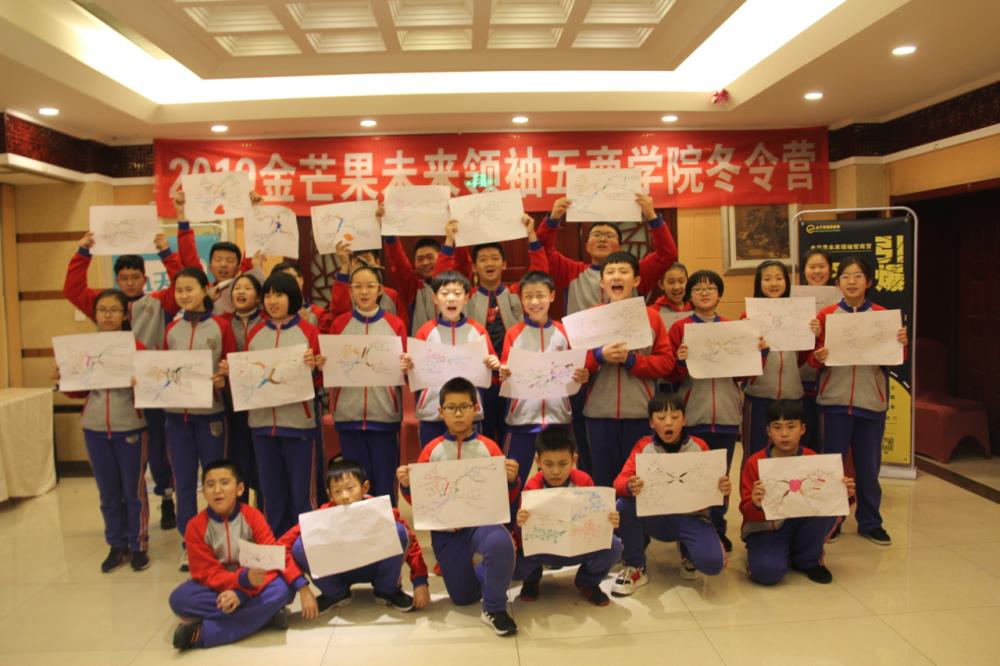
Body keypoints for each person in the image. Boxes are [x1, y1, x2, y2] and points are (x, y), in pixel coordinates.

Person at [63, 232, 181, 530]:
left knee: (159, 451)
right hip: (117, 396)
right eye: (124, 278)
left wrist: (166, 253)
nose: (129, 283)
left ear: (145, 279)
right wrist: (83, 252)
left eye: (135, 277)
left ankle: (167, 497)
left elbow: (181, 283)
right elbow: (72, 289)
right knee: (126, 464)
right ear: (117, 280)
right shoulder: (105, 305)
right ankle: (127, 518)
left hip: (151, 390)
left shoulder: (159, 303)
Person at [396, 377, 520, 637]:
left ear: (476, 409)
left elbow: (504, 499)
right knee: (463, 597)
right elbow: (421, 502)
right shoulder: (431, 451)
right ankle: (483, 572)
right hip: (446, 531)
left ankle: (495, 609)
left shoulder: (489, 448)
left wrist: (511, 481)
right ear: (441, 412)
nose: (459, 413)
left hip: (481, 525)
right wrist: (407, 486)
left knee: (500, 543)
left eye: (464, 406)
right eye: (451, 408)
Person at [808, 256, 908, 546]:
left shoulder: (883, 316)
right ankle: (832, 521)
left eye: (857, 276)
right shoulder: (826, 316)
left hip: (871, 401)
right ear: (838, 282)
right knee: (832, 467)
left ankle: (870, 522)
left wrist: (901, 343)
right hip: (833, 402)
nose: (851, 282)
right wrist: (818, 356)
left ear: (869, 281)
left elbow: (897, 360)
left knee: (868, 467)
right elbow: (812, 361)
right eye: (845, 276)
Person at [219, 272, 325, 537]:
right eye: (267, 295)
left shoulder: (308, 332)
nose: (272, 300)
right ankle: (275, 546)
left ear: (292, 297)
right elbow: (248, 378)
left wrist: (316, 367)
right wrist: (232, 372)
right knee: (271, 494)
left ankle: (305, 546)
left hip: (299, 426)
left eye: (279, 294)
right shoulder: (256, 333)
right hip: (262, 426)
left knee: (303, 495)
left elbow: (322, 379)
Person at [667, 269, 766, 552]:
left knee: (720, 477)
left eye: (711, 288)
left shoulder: (733, 328)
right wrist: (680, 361)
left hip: (725, 414)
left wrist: (760, 353)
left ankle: (718, 529)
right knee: (692, 477)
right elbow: (670, 376)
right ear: (690, 295)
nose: (705, 292)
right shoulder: (680, 328)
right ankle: (690, 531)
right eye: (698, 288)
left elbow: (745, 375)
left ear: (720, 294)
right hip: (692, 415)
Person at [57, 289, 150, 572]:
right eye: (102, 310)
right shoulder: (83, 349)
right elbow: (77, 393)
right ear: (95, 314)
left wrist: (142, 383)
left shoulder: (138, 348)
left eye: (114, 310)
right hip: (94, 427)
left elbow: (153, 392)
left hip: (130, 426)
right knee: (108, 492)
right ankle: (116, 544)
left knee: (133, 491)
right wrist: (64, 378)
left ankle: (138, 545)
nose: (108, 315)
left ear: (125, 315)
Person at [168, 459, 306, 650]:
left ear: (240, 489)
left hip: (253, 584)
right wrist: (238, 584)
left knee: (283, 589)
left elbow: (271, 558)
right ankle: (264, 617)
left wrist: (242, 593)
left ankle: (203, 634)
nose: (217, 490)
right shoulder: (195, 527)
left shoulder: (253, 516)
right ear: (204, 492)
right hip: (218, 587)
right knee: (180, 599)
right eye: (210, 485)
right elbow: (205, 573)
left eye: (224, 483)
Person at [434, 215, 549, 443]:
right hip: (477, 383)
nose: (489, 263)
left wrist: (531, 235)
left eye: (495, 258)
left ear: (504, 264)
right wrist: (449, 241)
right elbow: (441, 280)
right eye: (483, 259)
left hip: (514, 380)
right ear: (474, 266)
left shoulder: (517, 293)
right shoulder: (465, 297)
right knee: (480, 441)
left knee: (509, 441)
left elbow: (540, 274)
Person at [611, 393, 729, 595]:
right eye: (661, 417)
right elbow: (619, 481)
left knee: (712, 565)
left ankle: (688, 552)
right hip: (656, 517)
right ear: (651, 422)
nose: (668, 423)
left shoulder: (699, 446)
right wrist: (630, 486)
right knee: (624, 505)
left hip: (692, 517)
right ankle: (635, 565)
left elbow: (715, 492)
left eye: (675, 417)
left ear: (684, 420)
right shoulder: (643, 447)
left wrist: (723, 490)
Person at [280, 459, 430, 616]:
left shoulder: (381, 510)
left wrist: (420, 581)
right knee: (300, 546)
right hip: (340, 571)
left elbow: (411, 540)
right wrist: (302, 586)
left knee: (399, 532)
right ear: (330, 494)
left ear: (365, 487)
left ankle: (387, 590)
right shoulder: (322, 515)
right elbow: (284, 545)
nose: (345, 496)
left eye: (350, 488)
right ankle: (335, 593)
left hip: (375, 567)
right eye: (337, 491)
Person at [163, 267, 237, 571]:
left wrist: (224, 379)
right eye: (179, 290)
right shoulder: (171, 329)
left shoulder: (221, 326)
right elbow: (163, 369)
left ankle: (220, 541)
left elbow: (232, 365)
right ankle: (189, 544)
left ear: (205, 289)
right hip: (176, 419)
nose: (183, 295)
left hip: (211, 415)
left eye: (189, 289)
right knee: (183, 482)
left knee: (217, 482)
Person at [583, 251, 675, 487]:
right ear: (602, 282)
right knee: (603, 482)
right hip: (599, 413)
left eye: (624, 272)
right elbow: (575, 366)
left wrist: (632, 361)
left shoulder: (652, 317)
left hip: (641, 413)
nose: (617, 277)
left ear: (636, 280)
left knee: (639, 481)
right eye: (610, 272)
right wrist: (599, 356)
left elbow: (666, 362)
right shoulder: (590, 318)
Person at [741, 399, 855, 585]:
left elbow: (832, 503)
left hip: (803, 525)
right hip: (767, 530)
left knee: (827, 506)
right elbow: (746, 511)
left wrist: (844, 494)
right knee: (766, 573)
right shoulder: (755, 463)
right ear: (768, 431)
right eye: (777, 427)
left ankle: (807, 559)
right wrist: (755, 503)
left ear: (803, 429)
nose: (784, 434)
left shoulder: (814, 460)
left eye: (791, 426)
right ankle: (776, 554)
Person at [498, 270, 588, 488]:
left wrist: (582, 376)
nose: (534, 302)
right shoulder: (513, 333)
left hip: (558, 420)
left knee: (560, 482)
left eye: (540, 295)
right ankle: (513, 514)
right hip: (521, 420)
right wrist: (503, 372)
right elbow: (504, 369)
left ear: (552, 296)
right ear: (521, 299)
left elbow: (576, 370)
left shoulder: (564, 332)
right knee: (510, 480)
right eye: (528, 296)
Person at [327, 264, 409, 503]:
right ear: (350, 291)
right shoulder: (339, 324)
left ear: (380, 290)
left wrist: (406, 365)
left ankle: (389, 524)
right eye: (358, 287)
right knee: (354, 485)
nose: (364, 292)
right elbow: (333, 367)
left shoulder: (395, 324)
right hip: (348, 416)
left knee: (384, 482)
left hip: (384, 415)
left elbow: (404, 371)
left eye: (370, 286)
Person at [513, 427, 622, 606]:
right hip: (545, 550)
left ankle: (588, 582)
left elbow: (596, 518)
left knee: (615, 546)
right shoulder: (532, 487)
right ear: (538, 461)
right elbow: (522, 535)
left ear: (574, 460)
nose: (556, 471)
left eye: (563, 464)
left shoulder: (584, 481)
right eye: (549, 464)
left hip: (579, 547)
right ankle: (531, 579)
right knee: (515, 565)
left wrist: (609, 522)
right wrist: (520, 523)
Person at [400, 270, 501, 445]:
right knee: (433, 460)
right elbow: (413, 376)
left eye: (457, 293)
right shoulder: (425, 331)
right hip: (432, 414)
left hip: (470, 416)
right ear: (435, 298)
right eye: (445, 293)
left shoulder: (478, 331)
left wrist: (494, 363)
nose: (451, 298)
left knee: (470, 460)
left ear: (466, 298)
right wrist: (407, 367)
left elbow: (491, 369)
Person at [741, 260, 817, 459]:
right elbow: (743, 362)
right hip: (759, 396)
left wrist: (814, 334)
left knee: (791, 455)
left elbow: (804, 358)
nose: (774, 283)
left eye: (779, 278)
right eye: (767, 279)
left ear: (787, 282)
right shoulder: (748, 316)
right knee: (755, 454)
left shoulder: (800, 315)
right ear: (759, 283)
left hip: (792, 395)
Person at [174, 190, 264, 315]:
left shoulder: (243, 290)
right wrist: (181, 215)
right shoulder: (203, 290)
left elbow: (252, 251)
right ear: (210, 267)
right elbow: (188, 257)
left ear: (238, 268)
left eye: (230, 260)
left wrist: (255, 211)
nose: (223, 264)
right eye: (218, 260)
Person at [222, 273, 266, 505]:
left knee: (263, 463)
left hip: (262, 402)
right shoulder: (223, 323)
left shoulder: (267, 323)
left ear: (258, 297)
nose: (240, 291)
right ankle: (241, 513)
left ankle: (263, 513)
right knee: (238, 461)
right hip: (233, 403)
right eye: (237, 287)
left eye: (247, 288)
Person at [324, 241, 407, 332]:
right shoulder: (346, 293)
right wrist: (344, 265)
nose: (362, 263)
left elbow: (402, 328)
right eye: (357, 261)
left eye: (367, 259)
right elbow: (337, 320)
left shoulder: (392, 296)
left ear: (377, 262)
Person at [798, 249, 834, 448]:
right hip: (800, 381)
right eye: (812, 267)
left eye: (822, 266)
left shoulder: (842, 298)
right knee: (803, 439)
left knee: (825, 443)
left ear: (830, 269)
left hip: (833, 383)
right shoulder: (794, 300)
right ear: (804, 270)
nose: (817, 271)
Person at [651, 262, 693, 394]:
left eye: (681, 281)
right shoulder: (653, 312)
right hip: (662, 381)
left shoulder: (696, 310)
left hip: (691, 381)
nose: (677, 287)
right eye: (671, 282)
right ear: (661, 284)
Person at [271, 260, 326, 327]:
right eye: (281, 280)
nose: (287, 283)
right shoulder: (270, 315)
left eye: (291, 278)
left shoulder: (319, 314)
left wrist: (305, 325)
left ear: (301, 280)